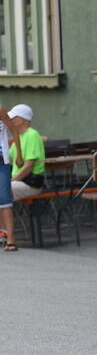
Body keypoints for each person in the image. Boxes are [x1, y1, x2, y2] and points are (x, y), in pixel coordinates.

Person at [8, 105, 46, 204]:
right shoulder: (18, 136)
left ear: (20, 120)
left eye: (12, 118)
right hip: (19, 182)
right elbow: (9, 158)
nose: (9, 121)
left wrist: (11, 181)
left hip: (29, 184)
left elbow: (29, 167)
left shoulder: (32, 135)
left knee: (3, 190)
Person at [0, 104, 22, 252]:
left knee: (4, 198)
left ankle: (11, 238)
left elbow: (14, 129)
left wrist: (19, 154)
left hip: (2, 161)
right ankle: (2, 234)